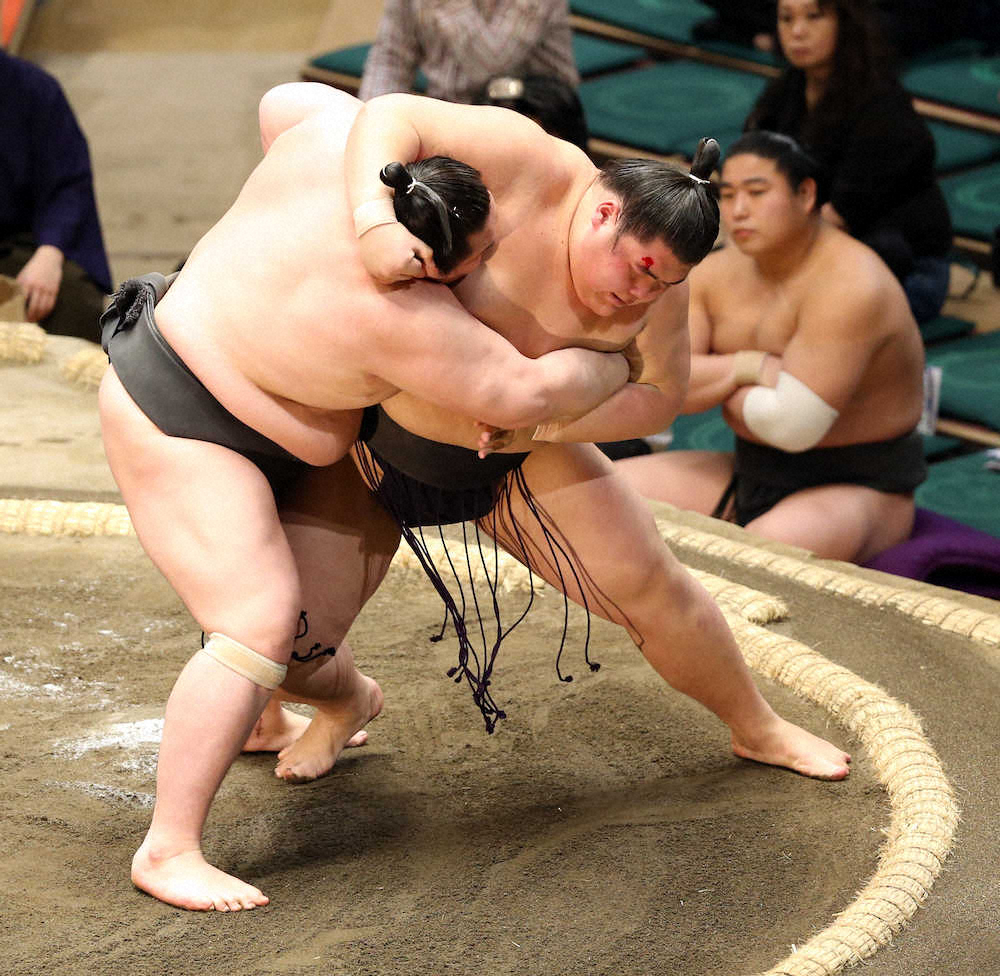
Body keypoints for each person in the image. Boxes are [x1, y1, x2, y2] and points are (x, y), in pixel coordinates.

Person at [260, 91, 850, 882]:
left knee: (654, 590)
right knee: (281, 639)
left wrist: (542, 429)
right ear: (603, 212)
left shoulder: (659, 287)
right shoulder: (528, 162)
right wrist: (372, 218)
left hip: (519, 458)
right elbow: (366, 110)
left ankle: (758, 726)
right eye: (639, 272)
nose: (643, 297)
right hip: (366, 438)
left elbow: (658, 396)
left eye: (664, 286)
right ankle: (341, 703)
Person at [99, 82, 635, 914]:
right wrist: (622, 361)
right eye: (477, 260)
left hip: (290, 437)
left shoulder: (335, 143)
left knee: (305, 643)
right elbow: (526, 394)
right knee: (256, 621)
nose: (487, 270)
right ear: (430, 265)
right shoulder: (407, 319)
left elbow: (278, 99)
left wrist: (365, 206)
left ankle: (340, 703)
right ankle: (168, 848)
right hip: (182, 421)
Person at [616, 131, 927, 564]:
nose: (739, 210)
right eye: (728, 194)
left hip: (860, 485)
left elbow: (791, 423)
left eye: (758, 193)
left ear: (806, 193)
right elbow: (664, 388)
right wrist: (751, 367)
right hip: (751, 469)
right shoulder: (715, 271)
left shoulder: (853, 284)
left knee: (754, 561)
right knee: (600, 493)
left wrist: (719, 384)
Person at [744, 0, 952, 324]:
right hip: (810, 248)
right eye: (786, 18)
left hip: (904, 270)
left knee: (764, 316)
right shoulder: (786, 92)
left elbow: (835, 219)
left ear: (846, 22)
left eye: (814, 16)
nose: (797, 32)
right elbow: (749, 172)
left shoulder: (882, 107)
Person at [0, 50, 112, 339]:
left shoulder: (34, 89)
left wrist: (49, 256)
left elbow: (68, 184)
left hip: (20, 245)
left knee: (76, 306)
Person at [358, 0, 579, 105]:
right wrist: (370, 116)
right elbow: (390, 58)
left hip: (527, 115)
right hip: (447, 109)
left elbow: (491, 64)